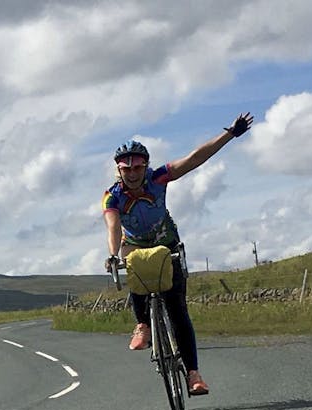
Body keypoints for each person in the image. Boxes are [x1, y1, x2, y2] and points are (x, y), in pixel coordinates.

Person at [101, 113, 254, 395]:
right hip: (133, 245)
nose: (133, 174)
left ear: (145, 166)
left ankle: (193, 374)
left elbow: (195, 158)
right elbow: (113, 226)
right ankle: (143, 325)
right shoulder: (113, 196)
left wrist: (230, 134)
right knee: (133, 265)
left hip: (166, 243)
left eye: (138, 167)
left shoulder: (158, 178)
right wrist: (112, 255)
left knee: (177, 310)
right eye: (126, 169)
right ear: (118, 170)